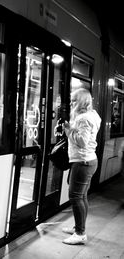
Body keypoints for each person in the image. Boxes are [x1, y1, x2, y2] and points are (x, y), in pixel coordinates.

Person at [61, 88, 101, 245]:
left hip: (83, 161)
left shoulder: (84, 118)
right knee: (81, 196)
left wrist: (68, 130)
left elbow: (82, 142)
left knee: (76, 196)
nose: (71, 103)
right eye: (71, 100)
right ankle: (79, 227)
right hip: (88, 161)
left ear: (83, 101)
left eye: (74, 100)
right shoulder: (93, 115)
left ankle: (80, 233)